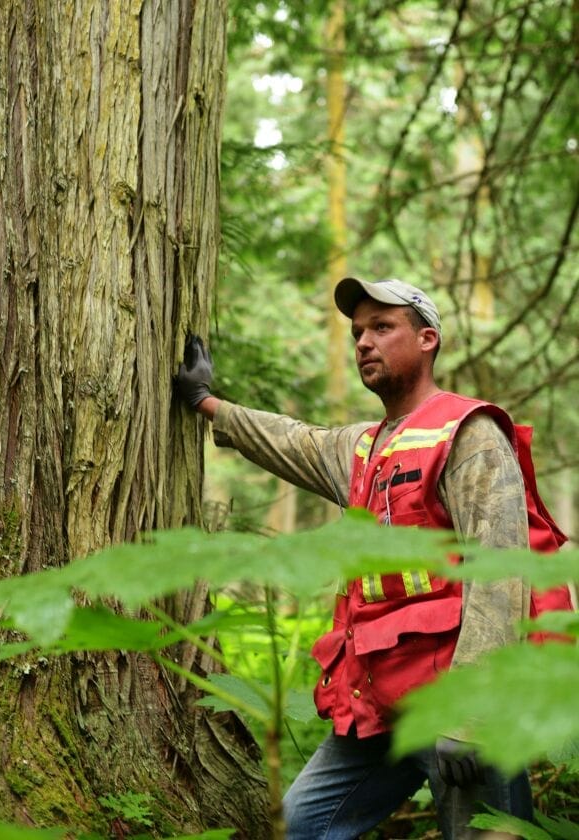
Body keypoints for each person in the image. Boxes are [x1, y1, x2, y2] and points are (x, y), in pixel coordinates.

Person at [175, 277, 571, 840]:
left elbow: (500, 575)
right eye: (358, 332)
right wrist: (206, 403)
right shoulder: (364, 446)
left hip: (457, 709)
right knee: (297, 829)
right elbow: (294, 440)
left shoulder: (470, 434)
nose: (363, 342)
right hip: (377, 708)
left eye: (382, 328)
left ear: (427, 338)